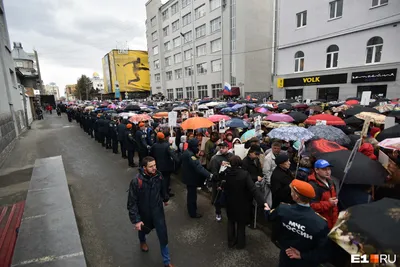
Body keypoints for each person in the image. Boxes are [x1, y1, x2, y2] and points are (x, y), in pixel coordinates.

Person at [264, 179, 330, 267]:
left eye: (291, 191)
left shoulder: (283, 209)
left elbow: (270, 217)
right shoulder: (321, 223)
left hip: (286, 254)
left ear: (296, 196)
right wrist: (302, 255)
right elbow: (324, 253)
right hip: (307, 262)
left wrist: (267, 210)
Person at [127, 156, 174, 267]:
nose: (154, 168)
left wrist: (165, 199)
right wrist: (137, 220)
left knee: (163, 235)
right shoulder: (136, 181)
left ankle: (167, 262)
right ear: (144, 168)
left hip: (157, 211)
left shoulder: (159, 176)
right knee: (143, 229)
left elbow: (163, 189)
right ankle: (142, 241)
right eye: (151, 166)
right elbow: (131, 203)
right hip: (144, 212)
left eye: (155, 165)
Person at [219, 155, 265, 249]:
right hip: (242, 202)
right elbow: (253, 189)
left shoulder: (226, 173)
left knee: (231, 221)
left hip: (230, 202)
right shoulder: (244, 174)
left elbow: (218, 178)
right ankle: (240, 244)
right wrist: (263, 202)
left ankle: (230, 242)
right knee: (241, 224)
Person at [181, 138, 212, 218]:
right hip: (190, 178)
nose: (198, 147)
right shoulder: (190, 155)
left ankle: (192, 209)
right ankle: (193, 213)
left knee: (191, 195)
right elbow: (198, 167)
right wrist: (209, 175)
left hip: (188, 177)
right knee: (192, 196)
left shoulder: (187, 152)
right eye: (197, 146)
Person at [308, 159, 339, 229]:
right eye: (324, 169)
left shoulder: (331, 182)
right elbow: (312, 206)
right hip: (321, 223)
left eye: (329, 169)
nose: (328, 172)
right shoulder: (313, 185)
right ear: (316, 170)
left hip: (332, 220)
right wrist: (329, 203)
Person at [208, 141, 233, 222]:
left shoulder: (232, 156)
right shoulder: (215, 158)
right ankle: (218, 213)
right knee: (217, 198)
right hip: (218, 182)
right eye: (220, 148)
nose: (221, 149)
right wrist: (218, 180)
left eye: (223, 148)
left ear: (227, 148)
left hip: (229, 181)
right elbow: (213, 171)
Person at [151, 132, 179, 197]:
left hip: (158, 166)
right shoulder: (167, 145)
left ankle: (161, 192)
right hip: (167, 167)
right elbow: (174, 156)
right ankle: (165, 193)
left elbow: (151, 155)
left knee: (159, 180)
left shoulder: (154, 145)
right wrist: (178, 161)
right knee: (166, 180)